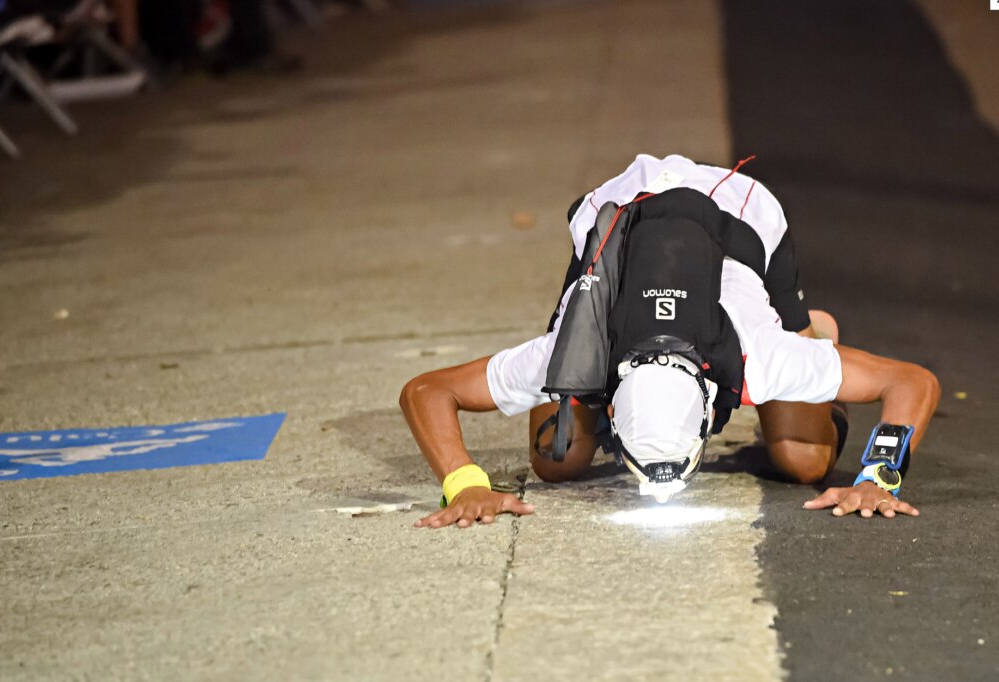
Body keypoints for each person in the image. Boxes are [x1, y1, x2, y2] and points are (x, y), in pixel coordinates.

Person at [400, 154, 940, 529]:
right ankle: (575, 400)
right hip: (614, 213)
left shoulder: (759, 355)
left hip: (737, 214)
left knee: (803, 459)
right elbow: (425, 391)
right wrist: (463, 482)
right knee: (556, 461)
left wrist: (879, 478)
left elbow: (912, 381)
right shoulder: (575, 346)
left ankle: (814, 333)